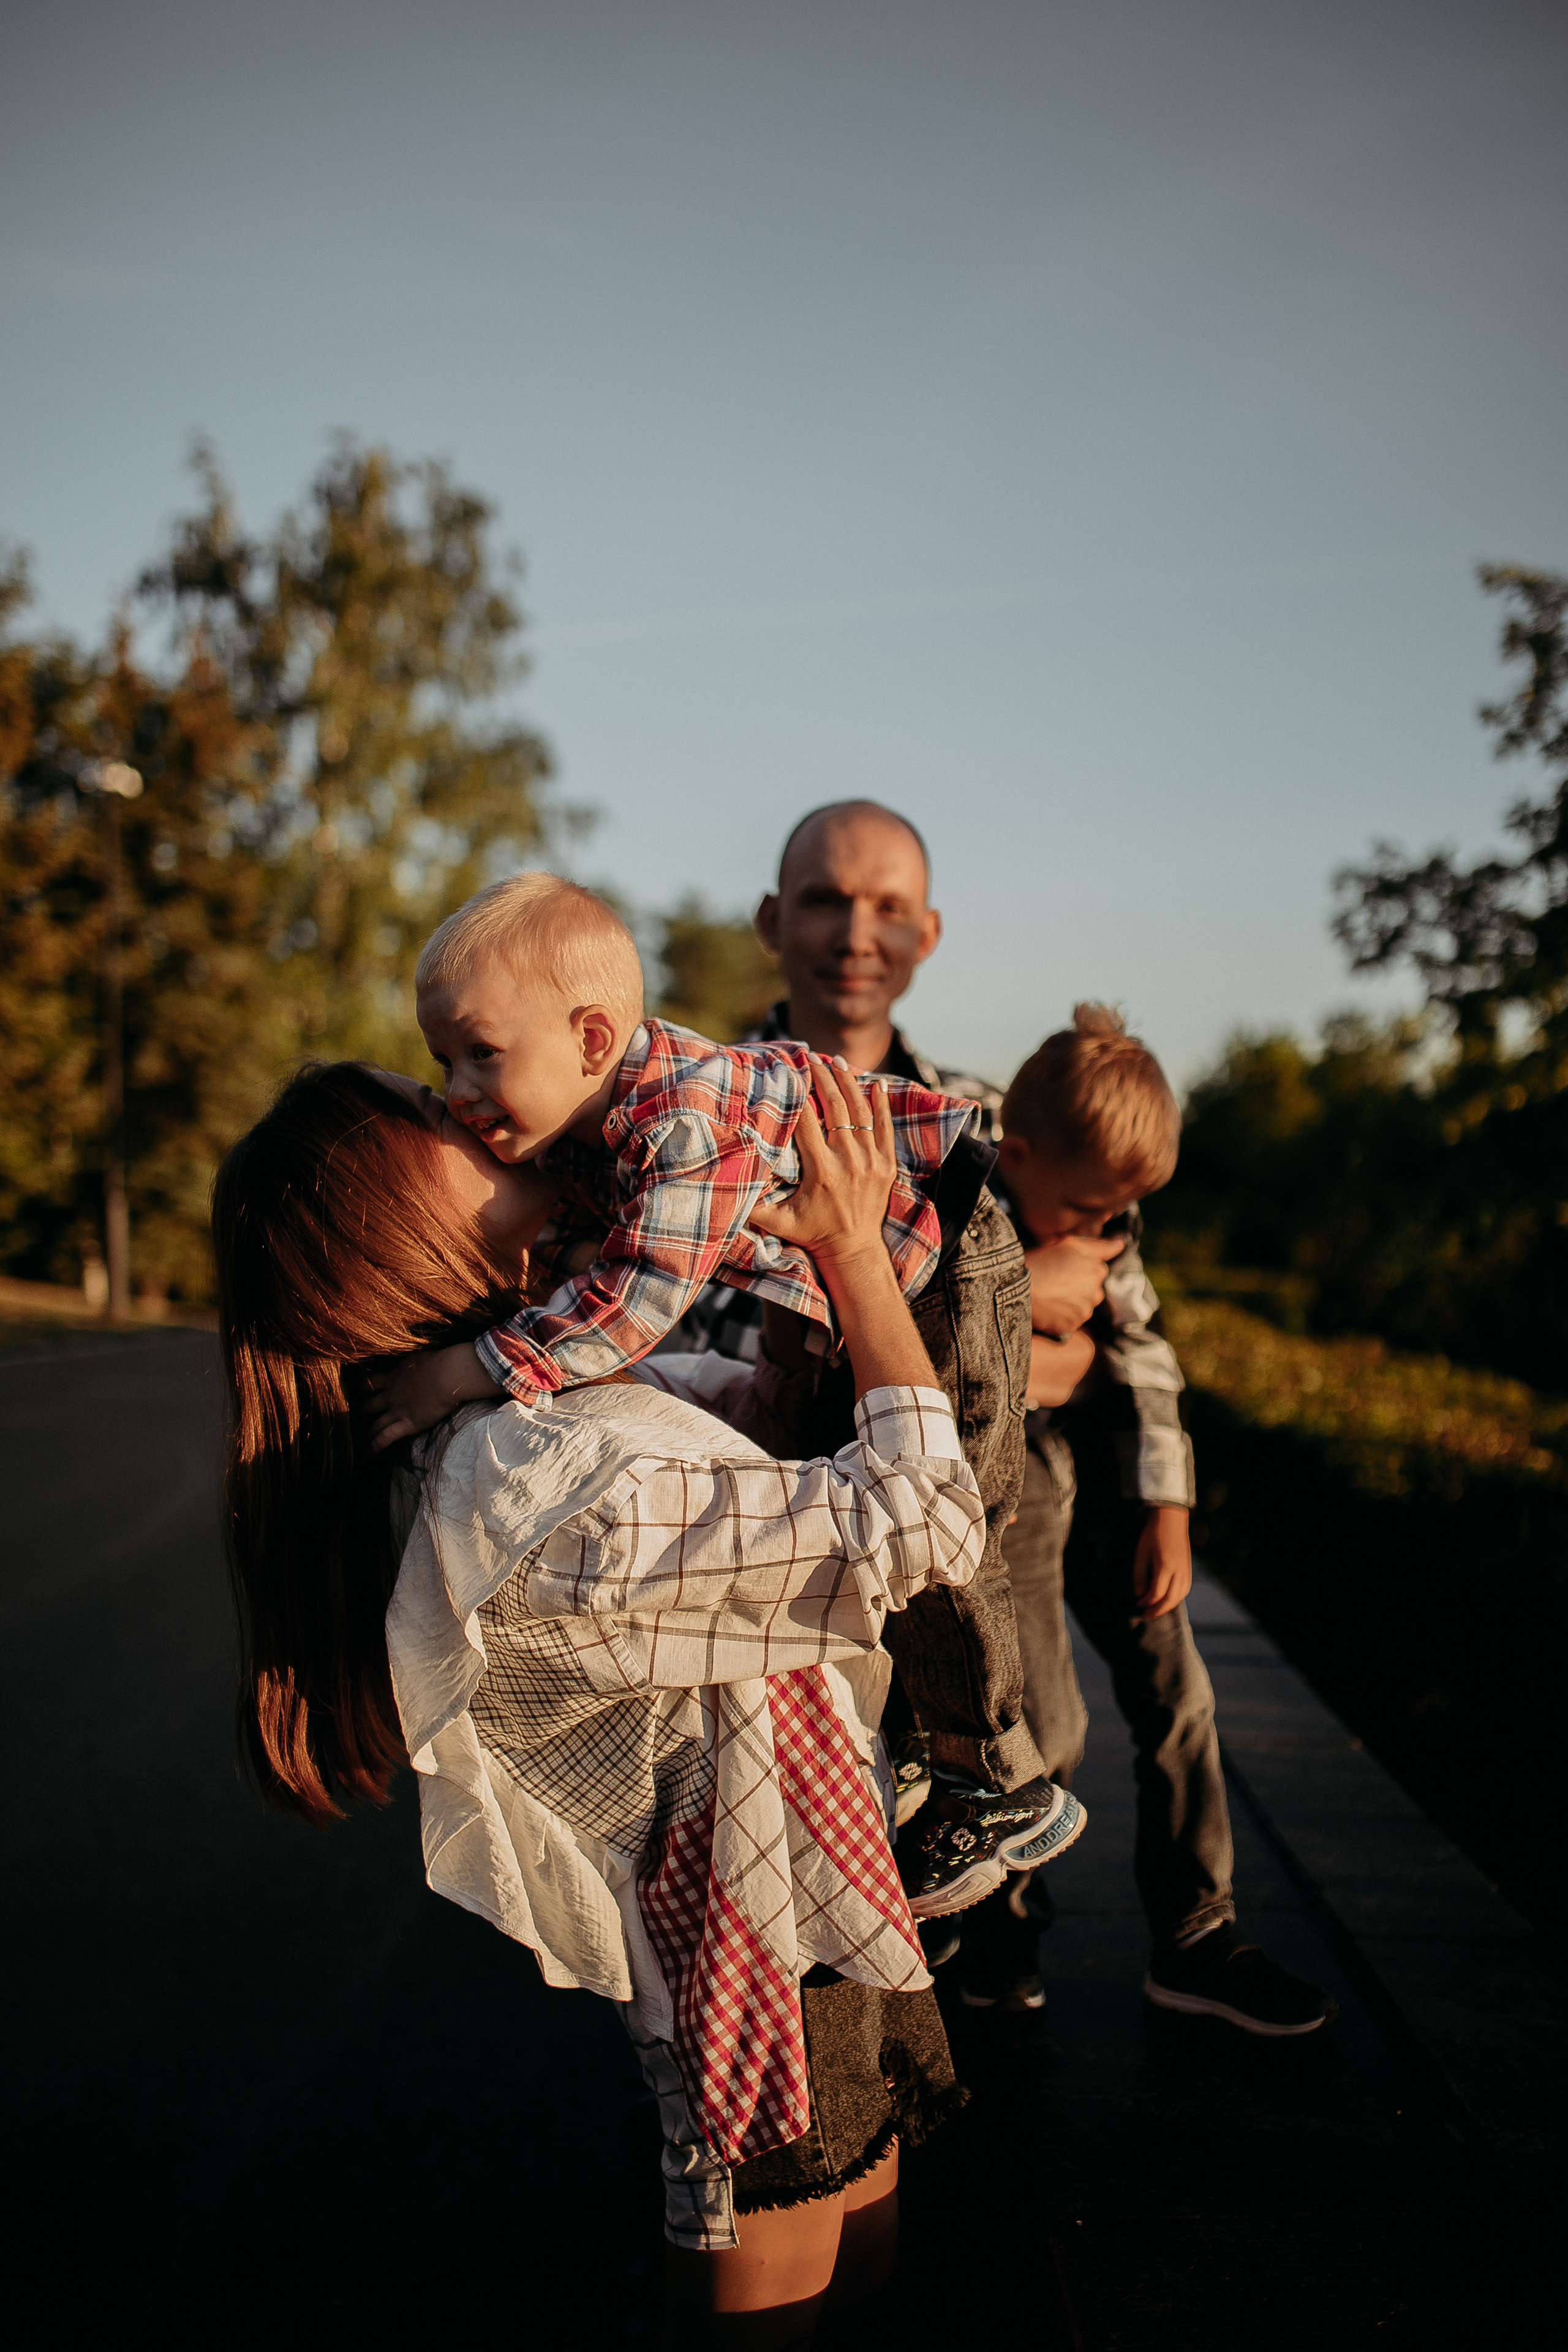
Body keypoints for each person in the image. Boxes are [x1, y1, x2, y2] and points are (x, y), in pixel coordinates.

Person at [213, 1052, 1047, 2345]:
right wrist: (857, 1264)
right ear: (387, 1212)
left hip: (821, 1911)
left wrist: (801, 1307)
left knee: (866, 2282)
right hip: (752, 1982)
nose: (469, 1107)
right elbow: (923, 1522)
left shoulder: (534, 1391)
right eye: (429, 1111)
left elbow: (752, 1439)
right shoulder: (528, 1480)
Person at [366, 862, 1077, 1913]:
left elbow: (634, 1302)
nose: (461, 1090)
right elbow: (573, 1249)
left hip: (947, 1258)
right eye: (444, 1062)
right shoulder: (587, 1133)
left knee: (950, 1513)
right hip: (854, 1291)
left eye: (481, 1054)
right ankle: (922, 1750)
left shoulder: (678, 1118)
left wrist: (466, 1370)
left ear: (592, 1040)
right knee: (844, 1484)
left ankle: (1000, 1775)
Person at [979, 1007, 1332, 2033]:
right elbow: (941, 1352)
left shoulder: (1105, 1223)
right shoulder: (963, 1219)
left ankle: (1196, 1934)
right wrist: (1019, 1301)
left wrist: (1167, 1506)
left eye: (1122, 1211)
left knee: (1180, 1700)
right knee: (1043, 1729)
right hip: (1014, 1485)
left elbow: (1145, 1356)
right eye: (1088, 1207)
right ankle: (1000, 1934)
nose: (1105, 1230)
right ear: (1018, 1157)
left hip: (1108, 1480)